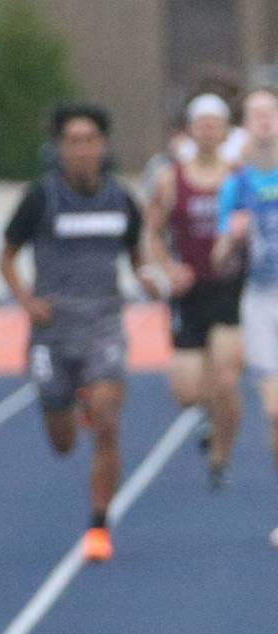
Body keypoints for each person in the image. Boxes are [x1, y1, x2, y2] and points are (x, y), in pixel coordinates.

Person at [0, 103, 160, 563]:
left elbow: (135, 254)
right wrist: (27, 300)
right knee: (63, 441)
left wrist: (145, 275)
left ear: (103, 146)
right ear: (58, 148)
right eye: (73, 141)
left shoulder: (121, 198)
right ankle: (74, 404)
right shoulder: (40, 198)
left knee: (109, 419)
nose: (83, 150)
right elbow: (6, 257)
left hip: (104, 320)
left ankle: (98, 525)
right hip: (52, 327)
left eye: (91, 140)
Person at [145, 93, 244, 488]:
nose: (206, 130)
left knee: (225, 378)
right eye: (200, 123)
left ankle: (221, 452)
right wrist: (167, 267)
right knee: (187, 392)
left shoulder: (238, 176)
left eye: (214, 124)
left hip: (227, 289)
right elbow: (151, 230)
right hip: (188, 292)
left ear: (224, 132)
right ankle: (210, 416)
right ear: (190, 130)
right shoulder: (171, 179)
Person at [214, 86, 278, 547]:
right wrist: (231, 239)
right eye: (255, 114)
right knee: (276, 413)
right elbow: (219, 260)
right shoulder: (234, 185)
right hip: (260, 300)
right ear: (245, 125)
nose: (264, 121)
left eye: (271, 113)